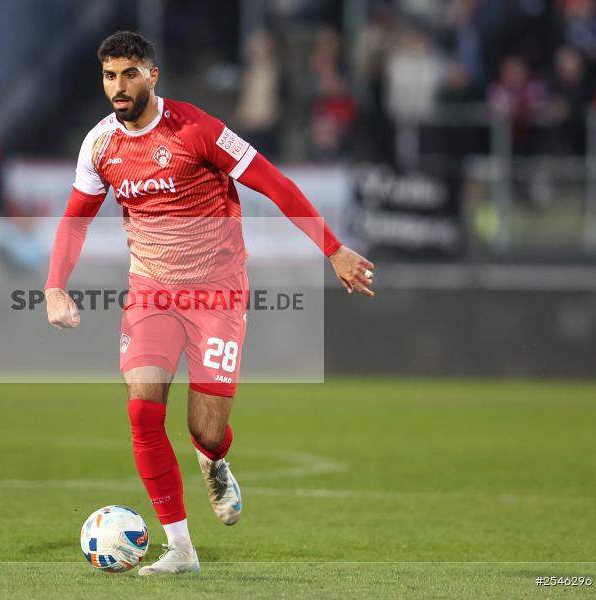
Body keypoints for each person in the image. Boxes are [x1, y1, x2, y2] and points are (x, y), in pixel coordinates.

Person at [44, 31, 374, 575]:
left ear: (153, 75)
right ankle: (181, 550)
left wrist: (333, 250)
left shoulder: (197, 130)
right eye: (109, 76)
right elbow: (75, 218)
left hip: (217, 292)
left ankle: (214, 459)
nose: (118, 87)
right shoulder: (99, 145)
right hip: (150, 289)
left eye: (130, 74)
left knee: (206, 428)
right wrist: (56, 285)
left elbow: (274, 183)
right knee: (142, 411)